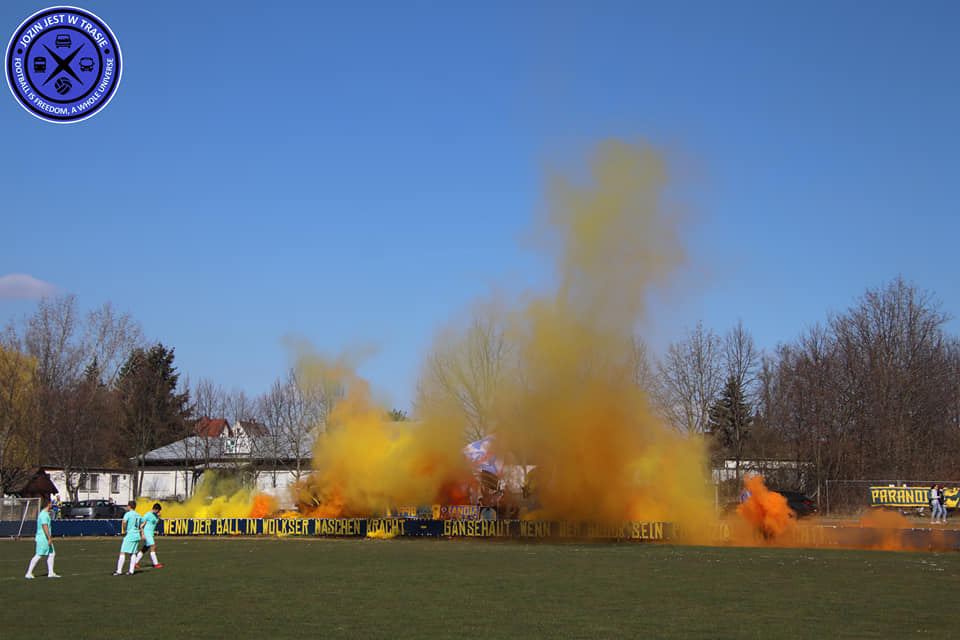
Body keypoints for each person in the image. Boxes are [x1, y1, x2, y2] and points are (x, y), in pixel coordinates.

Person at [25, 500, 61, 579]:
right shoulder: (43, 515)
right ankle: (29, 573)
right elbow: (45, 526)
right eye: (51, 503)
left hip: (45, 538)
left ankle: (51, 572)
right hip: (43, 538)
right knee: (39, 555)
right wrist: (49, 538)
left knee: (52, 553)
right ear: (48, 504)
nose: (52, 504)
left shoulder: (45, 514)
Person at [114, 501, 142, 575]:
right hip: (137, 534)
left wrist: (125, 530)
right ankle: (131, 571)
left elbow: (124, 522)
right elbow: (141, 524)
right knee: (133, 553)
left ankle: (119, 571)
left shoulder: (128, 514)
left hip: (130, 534)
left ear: (129, 506)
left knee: (122, 552)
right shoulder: (138, 515)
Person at [134, 503, 163, 569]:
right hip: (147, 532)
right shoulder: (147, 515)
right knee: (153, 546)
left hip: (151, 533)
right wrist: (142, 533)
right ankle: (156, 563)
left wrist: (159, 518)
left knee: (145, 548)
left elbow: (157, 523)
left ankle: (135, 562)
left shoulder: (156, 515)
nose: (158, 512)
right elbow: (141, 523)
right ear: (155, 509)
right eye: (158, 511)